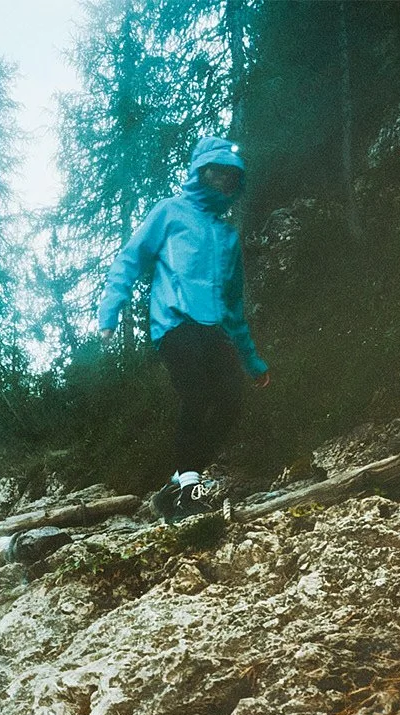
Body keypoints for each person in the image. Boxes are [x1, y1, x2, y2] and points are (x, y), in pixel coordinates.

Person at [98, 133, 270, 521]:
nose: (224, 181)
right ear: (200, 172)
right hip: (173, 323)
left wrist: (252, 360)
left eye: (231, 176)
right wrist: (110, 310)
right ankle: (189, 493)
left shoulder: (228, 237)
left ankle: (178, 482)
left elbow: (234, 304)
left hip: (213, 329)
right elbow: (131, 258)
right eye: (217, 172)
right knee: (196, 393)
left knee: (229, 401)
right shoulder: (170, 212)